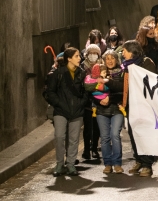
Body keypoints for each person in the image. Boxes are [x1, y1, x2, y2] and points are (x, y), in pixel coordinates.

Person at [46, 48, 88, 177]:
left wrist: (81, 104)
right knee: (59, 137)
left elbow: (86, 91)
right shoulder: (58, 73)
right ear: (69, 58)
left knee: (74, 139)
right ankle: (59, 164)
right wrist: (59, 103)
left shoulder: (82, 74)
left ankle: (70, 164)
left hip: (77, 111)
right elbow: (50, 92)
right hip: (61, 111)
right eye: (76, 56)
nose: (79, 58)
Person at [121, 40, 157, 177]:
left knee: (144, 134)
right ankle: (139, 160)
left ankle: (147, 164)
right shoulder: (126, 66)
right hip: (131, 104)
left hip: (144, 105)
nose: (122, 54)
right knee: (133, 133)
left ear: (131, 51)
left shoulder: (146, 63)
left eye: (124, 51)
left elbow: (150, 82)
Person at [86, 50, 126, 174]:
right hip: (101, 110)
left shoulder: (122, 73)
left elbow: (123, 91)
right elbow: (90, 92)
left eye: (112, 58)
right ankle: (107, 163)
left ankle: (117, 163)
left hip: (117, 109)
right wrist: (99, 101)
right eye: (107, 58)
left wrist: (110, 98)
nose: (109, 61)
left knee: (115, 135)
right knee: (104, 137)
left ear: (116, 59)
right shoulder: (98, 73)